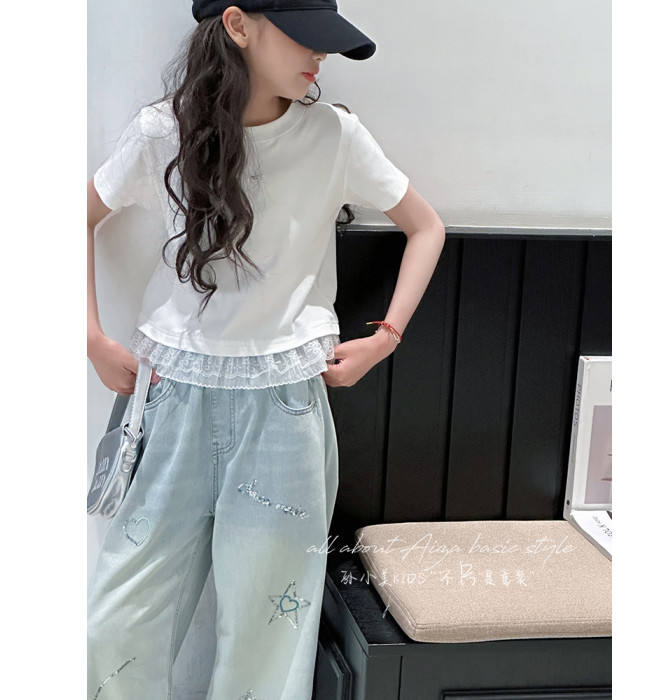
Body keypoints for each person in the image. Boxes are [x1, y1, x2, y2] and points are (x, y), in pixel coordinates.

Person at [87, 2, 445, 698]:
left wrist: (384, 340)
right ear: (238, 24)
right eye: (304, 36)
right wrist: (92, 340)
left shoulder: (334, 135)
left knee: (266, 641)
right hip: (172, 399)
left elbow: (426, 227)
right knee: (118, 625)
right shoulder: (163, 131)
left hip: (284, 409)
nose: (321, 55)